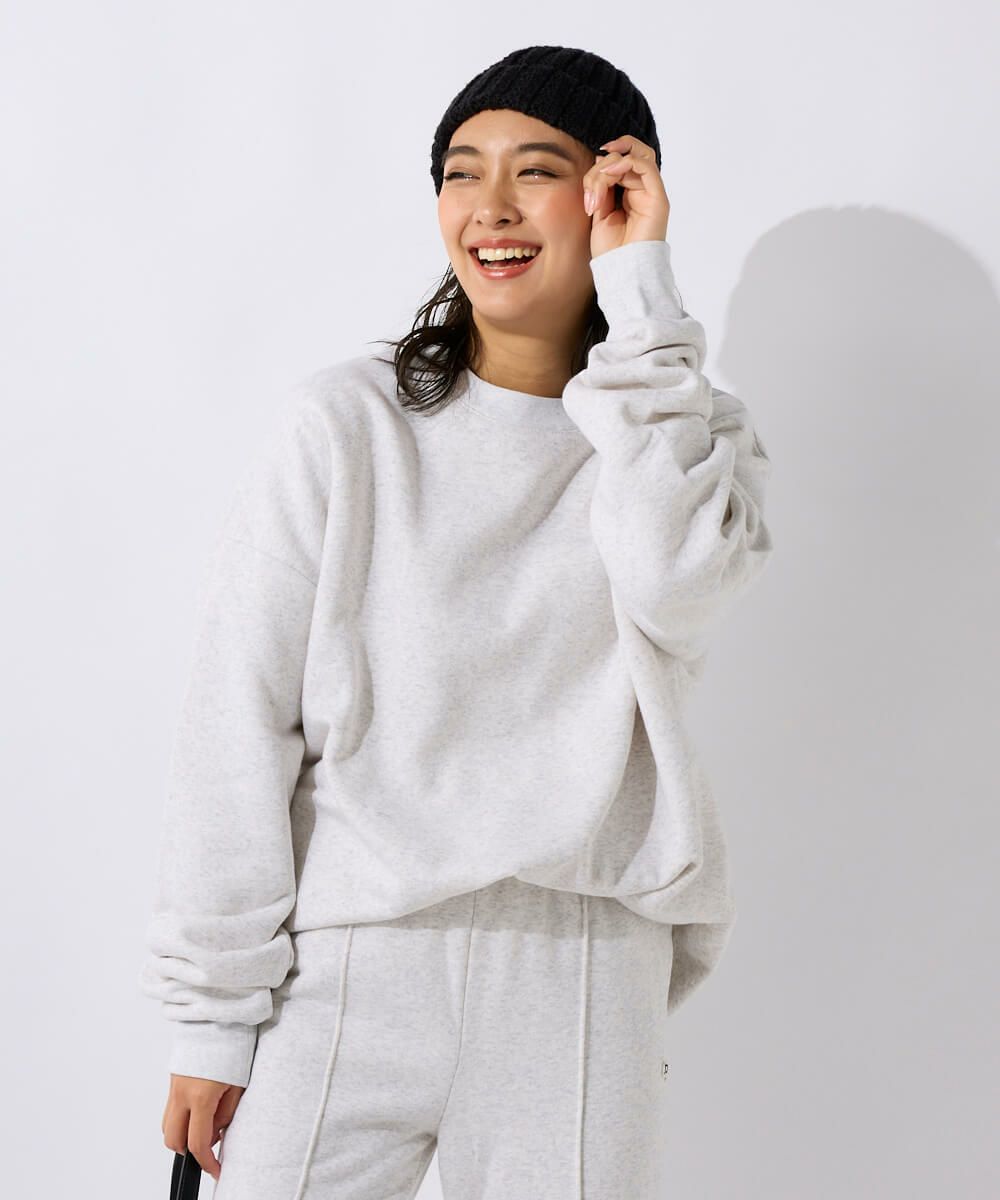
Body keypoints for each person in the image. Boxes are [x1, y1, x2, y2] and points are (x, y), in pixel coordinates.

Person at [138, 44, 774, 1200]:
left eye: (537, 169)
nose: (489, 206)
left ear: (614, 194)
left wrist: (642, 296)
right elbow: (238, 717)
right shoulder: (346, 425)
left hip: (581, 966)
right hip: (348, 957)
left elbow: (676, 583)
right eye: (460, 171)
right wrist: (211, 1015)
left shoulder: (686, 440)